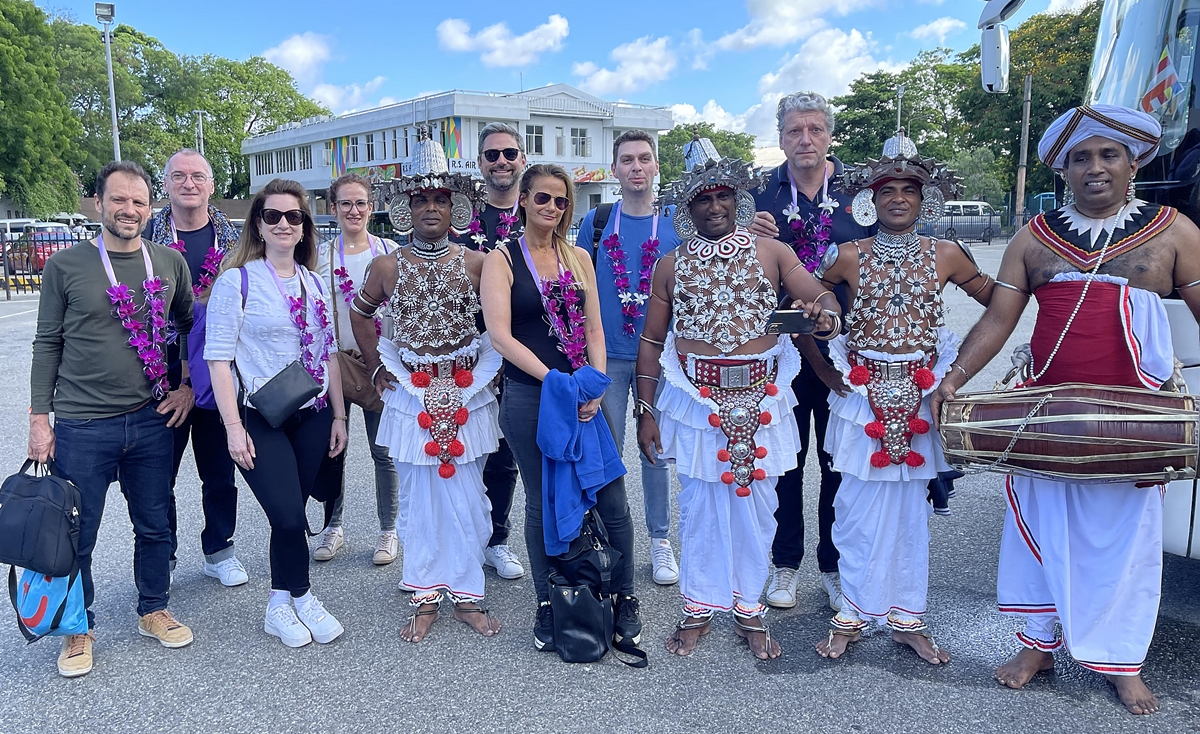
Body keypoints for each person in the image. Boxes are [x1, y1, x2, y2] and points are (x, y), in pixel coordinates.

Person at [931, 105, 1200, 715]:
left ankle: (1122, 660)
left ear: (1135, 164)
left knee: (1124, 542)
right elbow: (999, 318)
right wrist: (955, 377)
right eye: (1082, 157)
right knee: (1039, 533)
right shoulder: (1034, 236)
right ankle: (1037, 646)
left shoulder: (1174, 231)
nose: (1095, 168)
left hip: (1135, 422)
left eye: (1109, 155)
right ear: (1066, 170)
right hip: (1044, 416)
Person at [636, 140, 839, 660]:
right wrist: (646, 409)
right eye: (702, 199)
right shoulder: (670, 264)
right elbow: (653, 342)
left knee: (759, 509)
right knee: (701, 508)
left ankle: (749, 608)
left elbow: (816, 292)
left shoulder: (772, 251)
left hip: (763, 396)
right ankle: (699, 607)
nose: (714, 207)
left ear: (737, 199)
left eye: (722, 196)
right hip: (696, 400)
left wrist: (823, 310)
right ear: (687, 208)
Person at [813, 131, 992, 665]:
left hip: (919, 397)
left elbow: (1002, 304)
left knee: (911, 514)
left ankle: (906, 617)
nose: (897, 198)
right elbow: (805, 311)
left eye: (908, 190)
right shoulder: (845, 255)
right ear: (870, 197)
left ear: (923, 198)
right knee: (853, 508)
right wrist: (826, 370)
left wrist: (956, 372)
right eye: (886, 189)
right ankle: (851, 614)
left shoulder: (947, 255)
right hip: (861, 396)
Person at [29, 160, 196, 678]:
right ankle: (77, 627)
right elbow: (46, 343)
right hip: (82, 425)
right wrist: (39, 418)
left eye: (139, 201)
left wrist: (189, 386)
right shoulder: (67, 266)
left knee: (155, 523)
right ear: (98, 203)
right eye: (118, 200)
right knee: (79, 534)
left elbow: (191, 326)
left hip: (150, 420)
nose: (129, 210)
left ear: (152, 207)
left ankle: (153, 608)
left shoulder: (168, 263)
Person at [481, 163, 642, 652]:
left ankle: (624, 594)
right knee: (541, 499)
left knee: (611, 493)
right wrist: (555, 381)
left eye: (561, 201)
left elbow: (594, 330)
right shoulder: (502, 259)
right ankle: (549, 599)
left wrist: (592, 388)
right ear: (525, 200)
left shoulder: (578, 258)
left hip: (584, 393)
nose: (552, 207)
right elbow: (501, 335)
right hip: (533, 395)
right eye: (544, 198)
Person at [351, 126, 501, 643]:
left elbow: (498, 327)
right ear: (407, 208)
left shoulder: (478, 262)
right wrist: (377, 368)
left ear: (456, 206)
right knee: (417, 498)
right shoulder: (387, 266)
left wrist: (492, 369)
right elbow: (360, 312)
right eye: (421, 200)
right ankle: (423, 592)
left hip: (468, 392)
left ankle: (466, 592)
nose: (431, 208)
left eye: (441, 198)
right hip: (410, 392)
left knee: (468, 495)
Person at [205, 178, 349, 648]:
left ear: (305, 226)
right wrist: (231, 428)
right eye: (273, 216)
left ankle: (278, 603)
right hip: (261, 417)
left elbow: (329, 353)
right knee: (287, 516)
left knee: (290, 512)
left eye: (294, 216)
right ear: (259, 226)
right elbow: (219, 359)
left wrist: (340, 416)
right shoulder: (238, 281)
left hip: (312, 413)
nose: (284, 223)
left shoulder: (313, 281)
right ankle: (303, 598)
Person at [749, 92, 874, 610]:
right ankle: (784, 563)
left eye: (815, 130)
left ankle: (834, 563)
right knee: (784, 459)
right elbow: (734, 270)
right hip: (777, 347)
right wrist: (744, 233)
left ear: (829, 135)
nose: (805, 139)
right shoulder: (757, 196)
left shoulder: (860, 195)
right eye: (795, 131)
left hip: (841, 348)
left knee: (838, 459)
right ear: (780, 138)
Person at [575, 130, 681, 585]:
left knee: (654, 450)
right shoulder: (597, 222)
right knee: (607, 452)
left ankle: (660, 539)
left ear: (656, 166)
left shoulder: (678, 223)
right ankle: (610, 537)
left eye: (644, 159)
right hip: (609, 358)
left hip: (660, 357)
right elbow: (574, 288)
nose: (636, 167)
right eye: (627, 160)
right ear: (614, 170)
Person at [144, 148, 247, 587]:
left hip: (215, 365)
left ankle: (219, 549)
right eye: (179, 176)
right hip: (154, 369)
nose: (189, 184)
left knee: (219, 469)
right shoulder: (145, 236)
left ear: (210, 185)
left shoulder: (234, 241)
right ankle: (161, 551)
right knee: (157, 470)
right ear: (165, 184)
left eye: (198, 176)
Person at [311, 172, 402, 566]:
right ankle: (333, 526)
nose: (354, 210)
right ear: (333, 209)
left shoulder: (390, 251)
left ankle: (388, 529)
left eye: (361, 202)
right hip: (338, 363)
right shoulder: (321, 256)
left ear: (371, 206)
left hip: (381, 361)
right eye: (345, 203)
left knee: (384, 452)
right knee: (334, 449)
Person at [449, 121, 526, 580]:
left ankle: (496, 537)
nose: (501, 161)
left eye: (509, 154)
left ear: (522, 160)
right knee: (462, 452)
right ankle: (462, 538)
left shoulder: (539, 212)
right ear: (480, 163)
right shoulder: (462, 223)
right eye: (492, 154)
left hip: (519, 356)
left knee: (504, 454)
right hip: (466, 356)